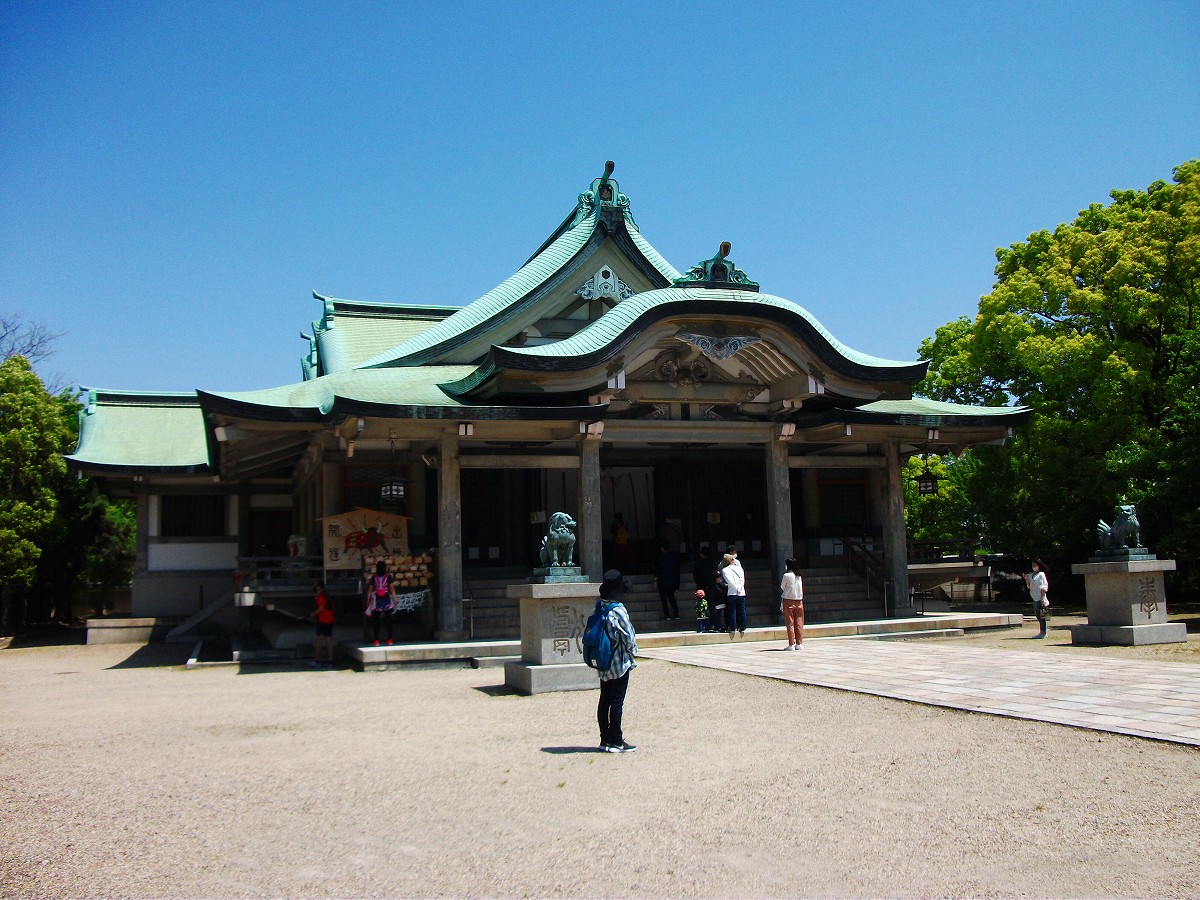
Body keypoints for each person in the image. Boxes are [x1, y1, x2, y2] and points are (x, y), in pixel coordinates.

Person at [596, 569, 638, 753]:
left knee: (604, 700)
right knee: (617, 702)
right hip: (619, 662)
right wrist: (632, 652)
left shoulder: (600, 607)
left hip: (603, 661)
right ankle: (617, 740)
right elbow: (628, 636)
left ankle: (604, 739)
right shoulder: (618, 610)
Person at [365, 560, 396, 646]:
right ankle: (389, 640)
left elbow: (370, 590)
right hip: (387, 600)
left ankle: (376, 641)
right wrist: (395, 599)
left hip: (376, 601)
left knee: (376, 622)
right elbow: (392, 589)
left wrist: (368, 601)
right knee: (389, 621)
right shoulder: (388, 577)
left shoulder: (374, 577)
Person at [692, 545, 721, 632]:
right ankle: (713, 624)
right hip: (711, 587)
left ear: (702, 554)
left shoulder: (697, 563)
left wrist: (698, 585)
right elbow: (716, 575)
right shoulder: (713, 563)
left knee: (702, 607)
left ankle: (703, 625)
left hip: (701, 588)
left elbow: (695, 576)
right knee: (712, 607)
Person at [651, 539, 681, 620]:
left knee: (664, 599)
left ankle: (667, 615)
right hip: (671, 580)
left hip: (662, 581)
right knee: (672, 598)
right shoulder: (673, 559)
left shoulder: (659, 558)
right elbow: (676, 572)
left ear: (662, 548)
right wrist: (677, 585)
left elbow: (656, 570)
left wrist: (655, 580)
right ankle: (676, 614)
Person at [721, 549, 747, 636]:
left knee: (732, 610)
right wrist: (739, 588)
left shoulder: (725, 570)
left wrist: (736, 588)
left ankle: (732, 627)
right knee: (742, 609)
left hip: (732, 592)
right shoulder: (739, 569)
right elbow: (742, 579)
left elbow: (729, 581)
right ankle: (742, 626)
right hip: (741, 592)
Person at [780, 557, 804, 650]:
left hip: (788, 600)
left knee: (790, 623)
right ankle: (799, 643)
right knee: (799, 623)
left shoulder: (786, 575)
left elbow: (782, 587)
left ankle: (791, 644)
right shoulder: (799, 576)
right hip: (799, 600)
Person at [309, 583, 335, 666]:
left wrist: (314, 613)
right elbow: (333, 607)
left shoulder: (320, 597)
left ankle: (317, 660)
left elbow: (321, 608)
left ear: (319, 589)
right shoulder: (328, 596)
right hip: (330, 618)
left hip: (323, 619)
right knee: (329, 639)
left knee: (318, 640)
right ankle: (330, 659)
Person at [1024, 558, 1050, 639]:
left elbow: (1043, 586)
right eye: (1033, 565)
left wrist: (1042, 598)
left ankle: (1043, 632)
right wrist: (1026, 579)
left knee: (1042, 615)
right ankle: (1042, 631)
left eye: (1035, 565)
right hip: (1034, 597)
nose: (1034, 567)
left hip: (1039, 597)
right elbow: (1029, 586)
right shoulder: (1031, 575)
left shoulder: (1041, 574)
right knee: (1038, 615)